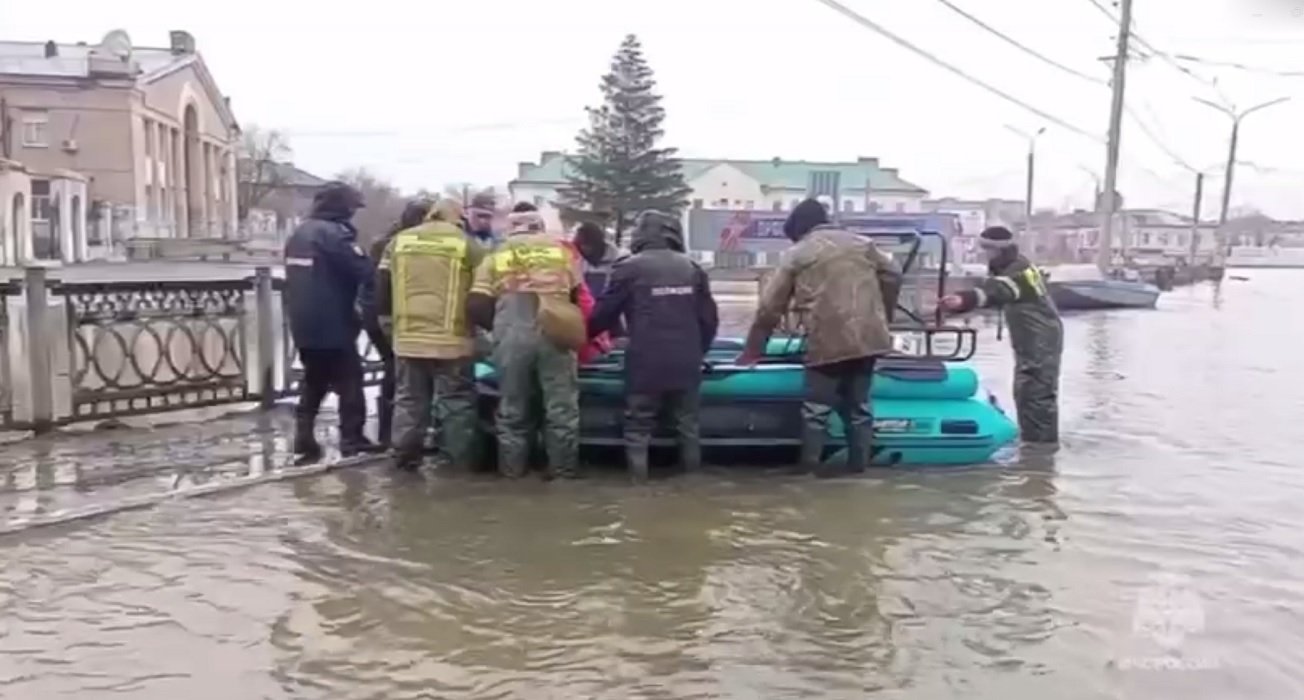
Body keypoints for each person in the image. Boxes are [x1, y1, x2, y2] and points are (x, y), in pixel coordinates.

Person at [738, 198, 902, 475]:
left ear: (798, 229)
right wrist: (882, 315)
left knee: (816, 409)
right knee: (859, 407)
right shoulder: (862, 244)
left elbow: (770, 307)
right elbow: (893, 274)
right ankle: (859, 469)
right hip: (869, 338)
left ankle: (808, 473)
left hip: (828, 337)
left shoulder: (799, 253)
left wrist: (754, 349)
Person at [588, 210, 719, 482]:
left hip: (645, 361)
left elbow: (603, 315)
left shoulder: (628, 268)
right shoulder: (693, 268)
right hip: (686, 361)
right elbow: (709, 320)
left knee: (638, 427)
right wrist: (699, 352)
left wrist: (583, 338)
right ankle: (692, 485)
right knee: (688, 426)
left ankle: (639, 486)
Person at [468, 206, 585, 480]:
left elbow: (475, 303)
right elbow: (577, 296)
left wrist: (498, 329)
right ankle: (563, 474)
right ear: (539, 226)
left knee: (512, 410)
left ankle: (514, 474)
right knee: (561, 409)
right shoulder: (561, 252)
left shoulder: (498, 254)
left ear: (511, 228)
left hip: (512, 335)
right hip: (556, 334)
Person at [375, 198, 487, 471]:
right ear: (457, 217)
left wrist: (388, 325)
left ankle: (403, 460)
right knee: (456, 401)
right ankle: (458, 463)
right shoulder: (466, 243)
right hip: (453, 339)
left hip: (408, 336)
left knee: (409, 398)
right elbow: (481, 292)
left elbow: (381, 285)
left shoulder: (399, 241)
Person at [283, 181, 383, 463]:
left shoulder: (299, 233)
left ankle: (304, 439)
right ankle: (352, 438)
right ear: (342, 207)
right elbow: (363, 271)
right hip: (333, 321)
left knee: (314, 379)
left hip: (302, 322)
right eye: (352, 207)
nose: (354, 213)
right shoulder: (335, 235)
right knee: (349, 379)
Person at [939, 225, 1063, 444]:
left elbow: (1000, 290)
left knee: (1036, 392)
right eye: (982, 247)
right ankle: (1035, 445)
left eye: (987, 248)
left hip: (1041, 337)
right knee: (1027, 389)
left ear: (1000, 249)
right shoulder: (1010, 266)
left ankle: (1040, 450)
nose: (983, 252)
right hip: (1031, 337)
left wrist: (964, 300)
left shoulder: (1018, 270)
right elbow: (996, 290)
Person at [358, 198, 433, 449]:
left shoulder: (387, 241)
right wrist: (387, 318)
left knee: (397, 371)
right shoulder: (401, 244)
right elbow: (385, 284)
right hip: (388, 314)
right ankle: (392, 435)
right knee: (399, 373)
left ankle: (392, 433)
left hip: (379, 313)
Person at [573, 221, 623, 297]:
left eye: (587, 244)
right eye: (581, 244)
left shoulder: (617, 260)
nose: (584, 248)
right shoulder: (576, 259)